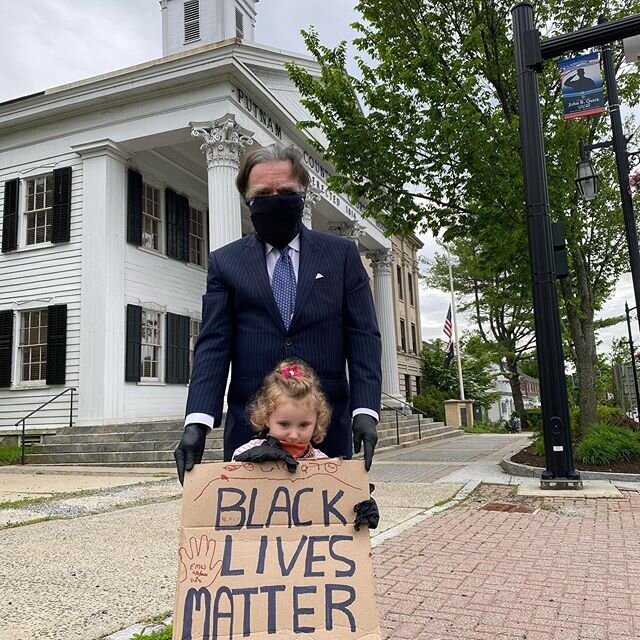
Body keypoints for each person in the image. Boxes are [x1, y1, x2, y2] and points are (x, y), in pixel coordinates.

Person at [174, 144, 382, 485]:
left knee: (324, 529)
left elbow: (363, 336)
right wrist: (197, 421)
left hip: (322, 426)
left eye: (285, 191)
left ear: (303, 193)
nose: (274, 199)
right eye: (262, 194)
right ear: (247, 200)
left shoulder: (341, 255)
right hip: (251, 426)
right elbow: (214, 344)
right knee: (252, 533)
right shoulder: (225, 262)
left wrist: (366, 411)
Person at [232, 359, 379, 531]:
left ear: (316, 421)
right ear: (266, 418)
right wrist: (246, 466)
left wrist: (356, 503)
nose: (294, 435)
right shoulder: (245, 453)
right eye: (284, 424)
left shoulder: (323, 464)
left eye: (303, 425)